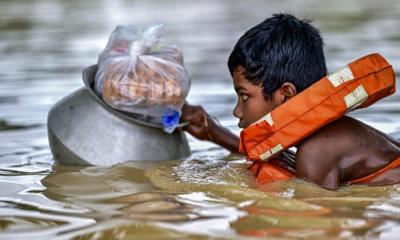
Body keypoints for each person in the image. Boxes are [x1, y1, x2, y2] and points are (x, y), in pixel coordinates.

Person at [180, 13, 400, 190]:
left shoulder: (315, 152)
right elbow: (276, 155)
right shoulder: (324, 137)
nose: (237, 111)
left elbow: (312, 222)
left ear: (285, 94)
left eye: (244, 96)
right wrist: (214, 133)